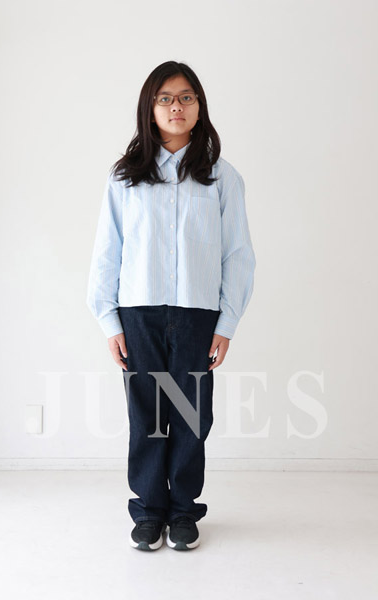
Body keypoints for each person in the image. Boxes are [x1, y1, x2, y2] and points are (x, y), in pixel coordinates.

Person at [86, 60, 256, 551]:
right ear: (150, 108)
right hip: (138, 314)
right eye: (165, 98)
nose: (175, 106)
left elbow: (237, 254)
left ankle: (183, 511)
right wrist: (109, 319)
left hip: (197, 315)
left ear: (199, 107)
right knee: (147, 417)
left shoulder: (222, 178)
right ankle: (148, 511)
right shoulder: (126, 178)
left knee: (190, 415)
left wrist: (227, 322)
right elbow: (108, 250)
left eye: (185, 97)